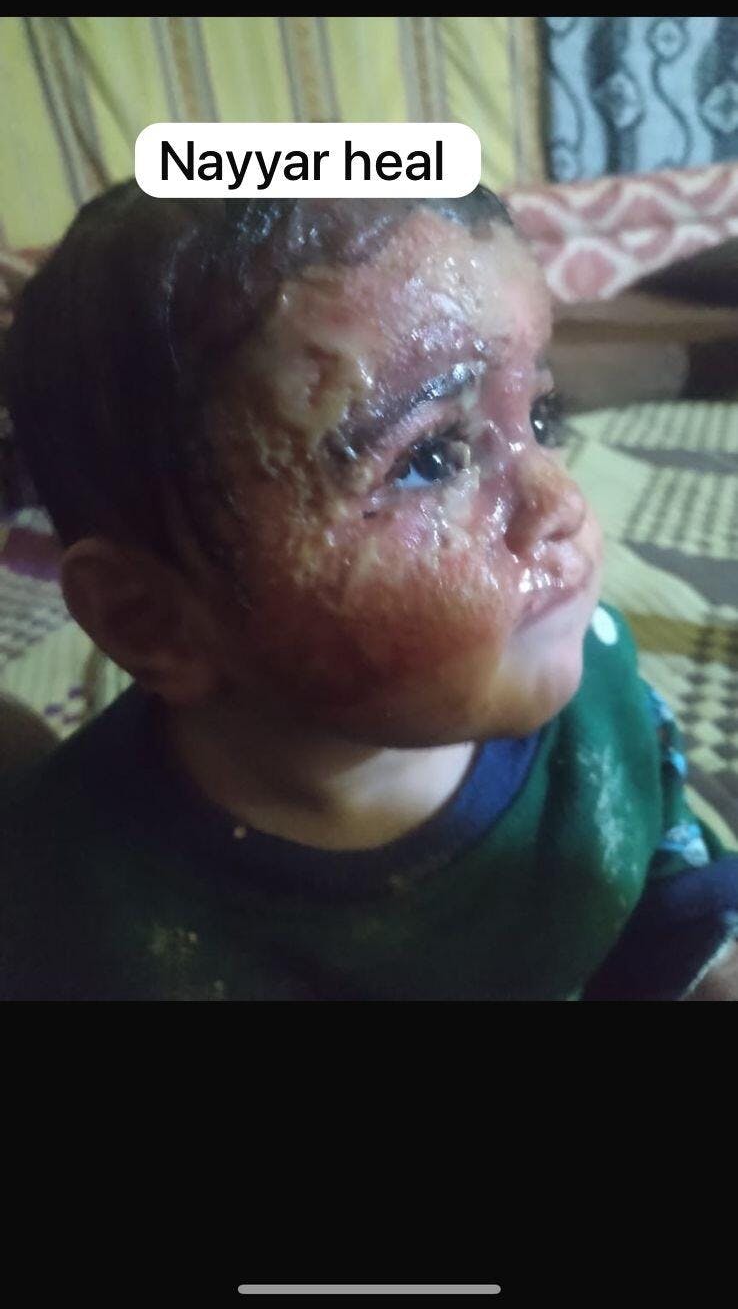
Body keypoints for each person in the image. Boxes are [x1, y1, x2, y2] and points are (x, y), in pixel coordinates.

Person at [2, 181, 737, 1000]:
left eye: (543, 416)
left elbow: (665, 886)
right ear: (153, 622)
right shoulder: (67, 910)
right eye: (430, 459)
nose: (560, 502)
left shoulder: (603, 707)